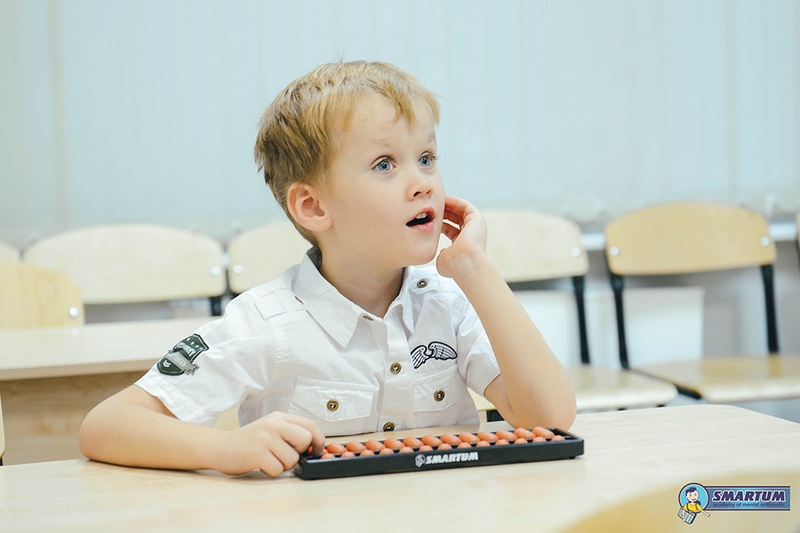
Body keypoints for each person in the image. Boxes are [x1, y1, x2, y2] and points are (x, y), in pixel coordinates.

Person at [79, 60, 576, 477]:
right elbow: (106, 425)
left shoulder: (450, 302)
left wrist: (474, 267)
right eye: (385, 164)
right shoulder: (266, 322)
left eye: (426, 157)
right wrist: (222, 448)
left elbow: (549, 418)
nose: (424, 183)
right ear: (313, 207)